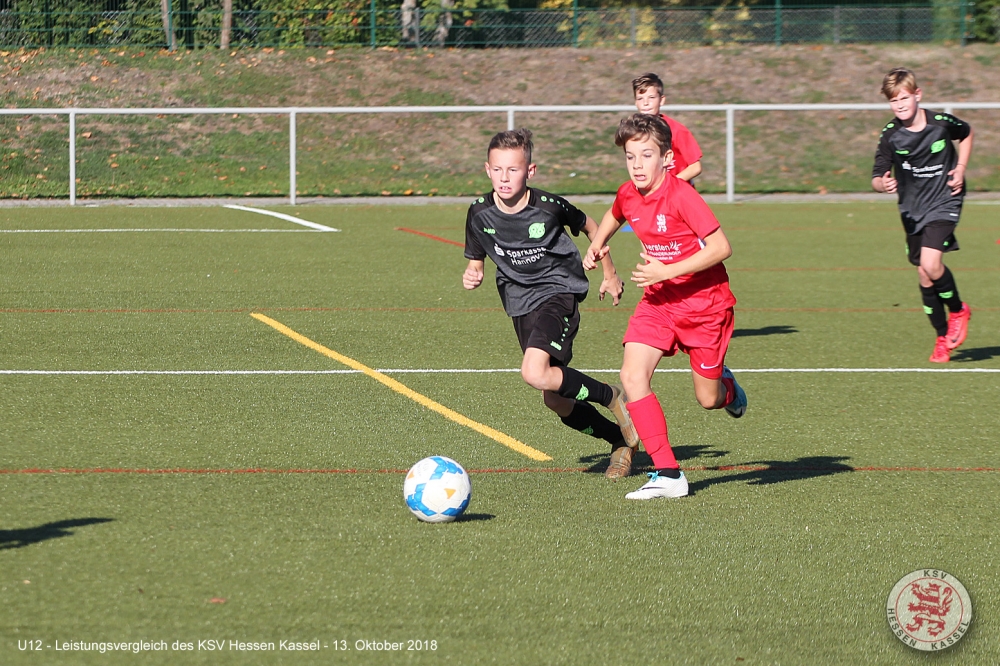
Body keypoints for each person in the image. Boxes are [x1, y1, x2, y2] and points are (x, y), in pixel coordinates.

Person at [583, 113, 747, 500]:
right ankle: (669, 474)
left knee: (708, 399)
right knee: (631, 375)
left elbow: (722, 247)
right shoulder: (628, 193)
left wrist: (666, 270)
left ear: (667, 158)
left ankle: (728, 387)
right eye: (630, 156)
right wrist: (598, 243)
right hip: (659, 301)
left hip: (705, 307)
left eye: (646, 155)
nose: (637, 165)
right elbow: (615, 213)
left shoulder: (682, 195)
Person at [462, 128, 642, 479]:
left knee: (533, 372)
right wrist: (473, 272)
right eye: (497, 169)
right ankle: (619, 439)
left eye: (513, 169)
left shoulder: (548, 207)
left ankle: (611, 396)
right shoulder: (479, 213)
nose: (504, 177)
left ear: (530, 171)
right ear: (487, 170)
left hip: (557, 291)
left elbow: (592, 226)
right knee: (554, 398)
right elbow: (475, 259)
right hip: (519, 303)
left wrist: (609, 273)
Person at [872, 67, 973, 363]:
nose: (899, 105)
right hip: (912, 210)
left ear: (918, 95)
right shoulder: (891, 135)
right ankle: (942, 338)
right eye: (893, 101)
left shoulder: (940, 124)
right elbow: (877, 175)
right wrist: (882, 184)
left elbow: (966, 133)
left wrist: (960, 169)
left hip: (945, 200)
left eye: (904, 98)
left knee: (931, 263)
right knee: (924, 274)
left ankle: (958, 310)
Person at [632, 72, 703, 184]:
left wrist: (670, 185)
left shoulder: (677, 130)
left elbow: (695, 167)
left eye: (651, 97)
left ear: (661, 100)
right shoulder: (634, 132)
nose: (645, 103)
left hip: (677, 191)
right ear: (635, 102)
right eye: (640, 98)